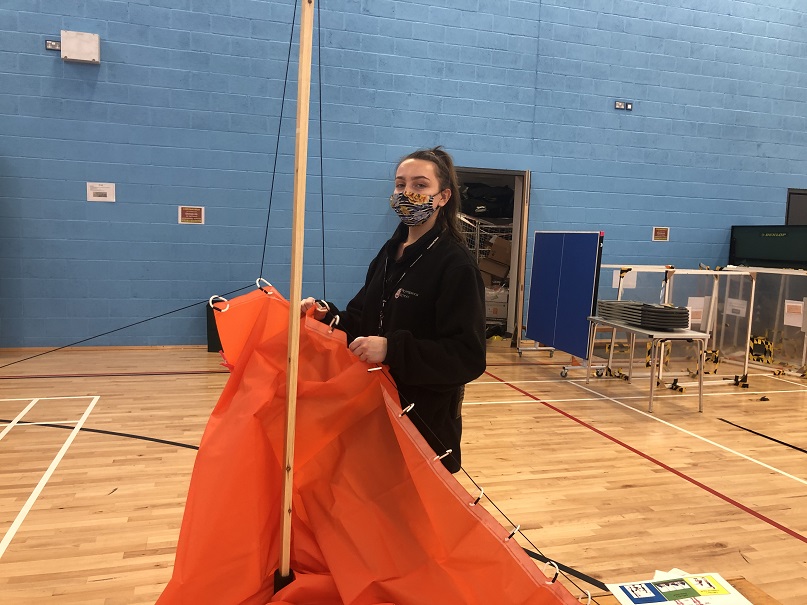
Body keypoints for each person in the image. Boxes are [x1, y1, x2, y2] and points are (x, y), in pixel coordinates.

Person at [301, 146, 487, 472]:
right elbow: (363, 318)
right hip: (375, 412)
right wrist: (328, 316)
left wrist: (392, 349)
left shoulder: (455, 264)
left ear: (443, 196)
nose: (407, 193)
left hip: (424, 423)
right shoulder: (389, 253)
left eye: (419, 185)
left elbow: (467, 356)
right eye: (400, 185)